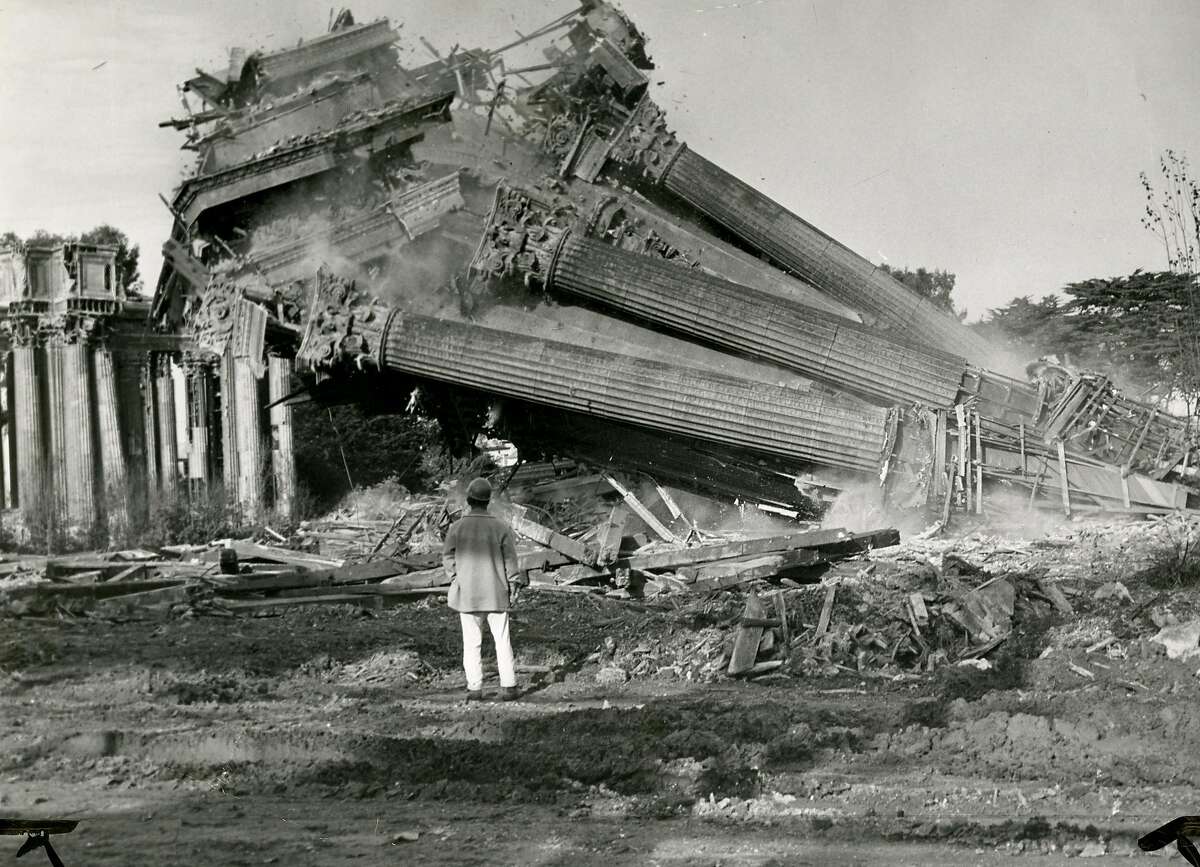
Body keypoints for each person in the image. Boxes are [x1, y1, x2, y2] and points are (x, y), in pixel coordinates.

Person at [443, 477, 522, 701]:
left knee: (471, 643)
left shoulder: (457, 527)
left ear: (469, 500)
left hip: (467, 594)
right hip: (497, 592)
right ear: (488, 501)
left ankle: (475, 689)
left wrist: (456, 577)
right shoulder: (500, 527)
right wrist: (513, 583)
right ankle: (509, 687)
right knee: (502, 640)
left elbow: (447, 557)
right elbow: (511, 562)